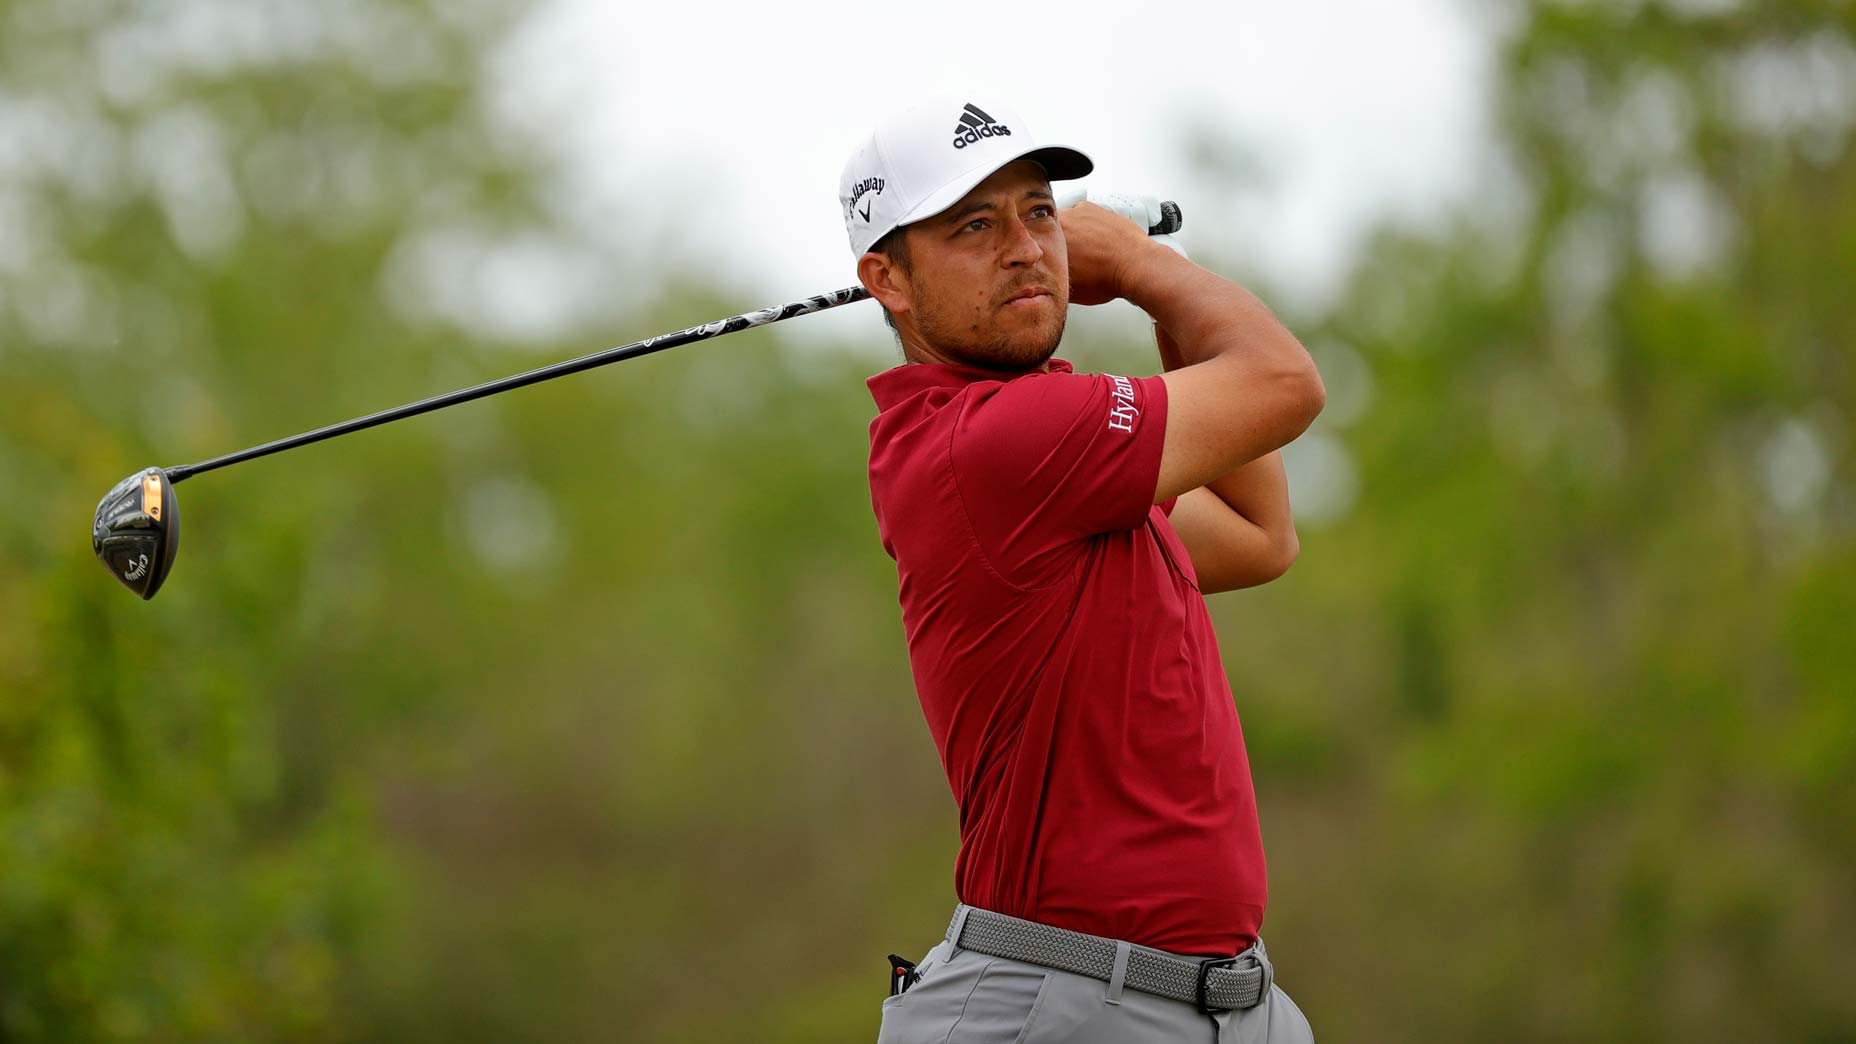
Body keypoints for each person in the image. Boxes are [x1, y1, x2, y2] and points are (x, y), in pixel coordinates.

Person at [843, 97, 1325, 1044]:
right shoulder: (992, 444)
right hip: (1061, 1004)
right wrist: (1146, 267)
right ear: (886, 281)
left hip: (1225, 1003)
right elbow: (1285, 383)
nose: (1024, 247)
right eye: (974, 225)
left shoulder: (1062, 460)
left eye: (1039, 212)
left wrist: (1162, 291)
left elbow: (1261, 536)